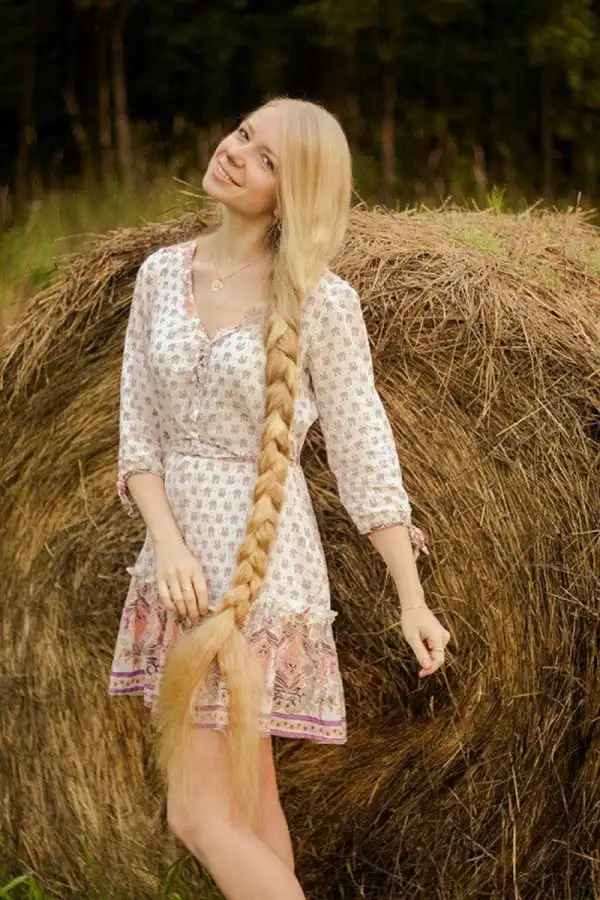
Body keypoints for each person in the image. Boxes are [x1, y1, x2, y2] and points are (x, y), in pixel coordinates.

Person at [108, 95, 451, 900]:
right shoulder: (160, 275)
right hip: (177, 571)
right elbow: (137, 438)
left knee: (196, 816)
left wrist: (411, 598)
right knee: (249, 796)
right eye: (243, 134)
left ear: (291, 196)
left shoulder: (324, 301)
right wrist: (168, 544)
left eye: (266, 160)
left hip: (266, 575)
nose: (236, 153)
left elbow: (365, 449)